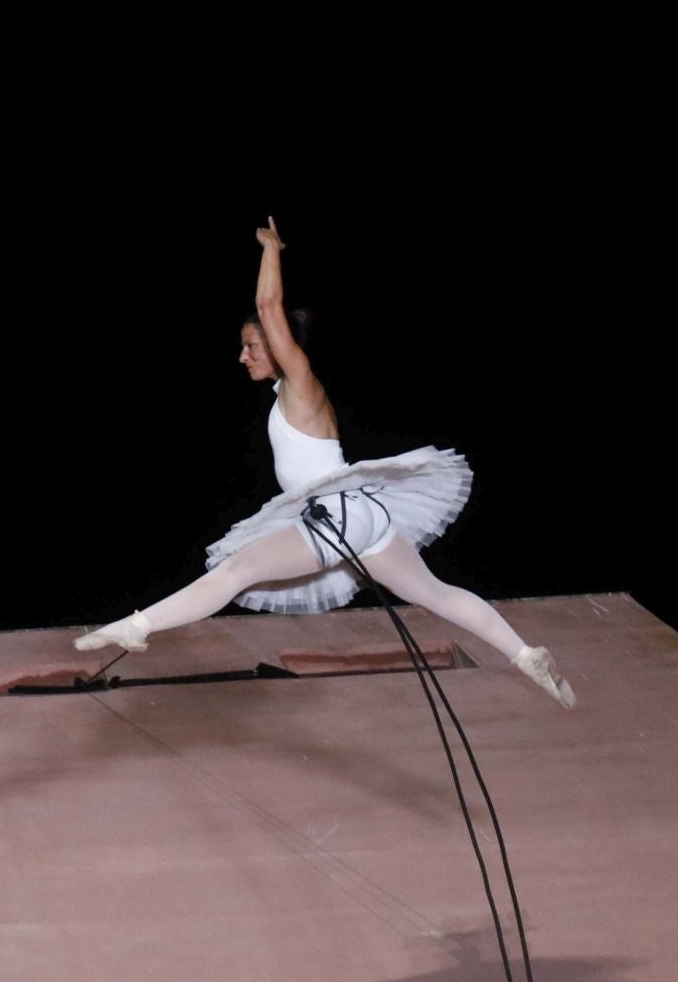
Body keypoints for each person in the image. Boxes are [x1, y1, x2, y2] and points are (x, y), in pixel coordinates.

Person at [74, 220, 576, 707]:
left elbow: (269, 303)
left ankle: (138, 626)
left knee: (236, 570)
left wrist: (270, 248)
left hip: (340, 515)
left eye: (251, 346)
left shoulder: (301, 385)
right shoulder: (289, 397)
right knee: (437, 595)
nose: (242, 356)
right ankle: (525, 654)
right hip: (363, 516)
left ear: (278, 347)